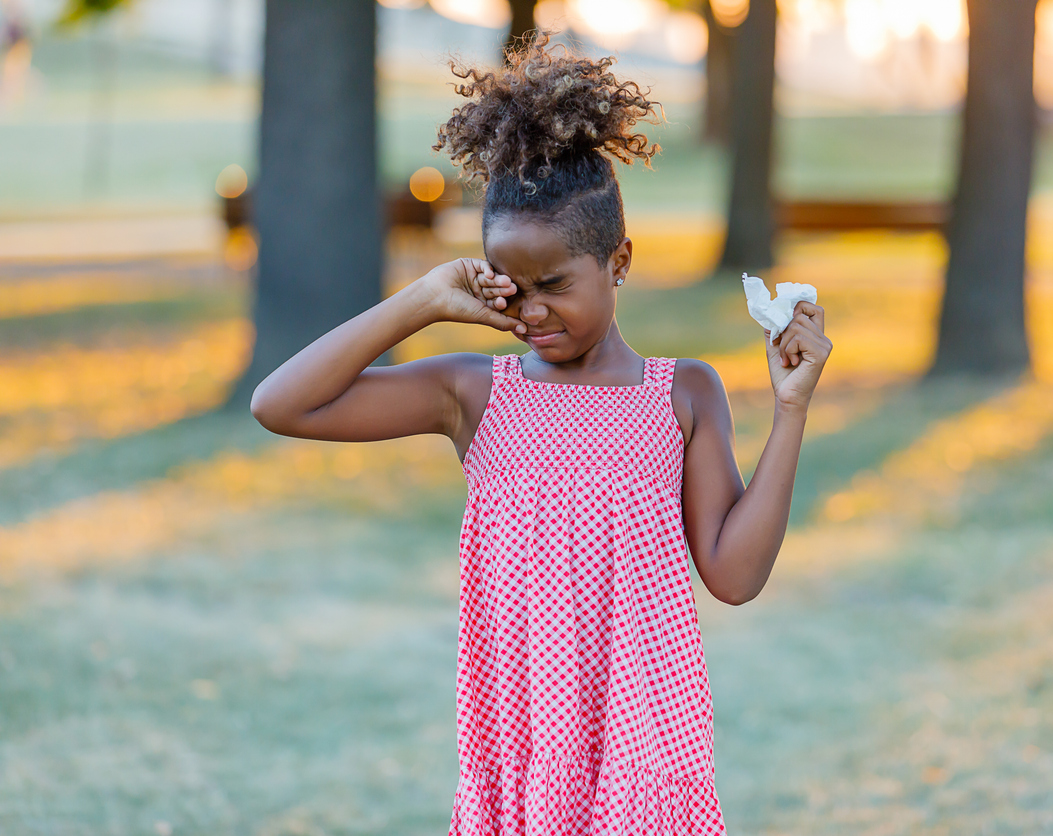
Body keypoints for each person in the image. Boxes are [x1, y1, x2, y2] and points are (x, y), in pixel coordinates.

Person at [249, 33, 831, 836]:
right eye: (510, 286)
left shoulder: (683, 394)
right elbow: (282, 405)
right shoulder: (473, 395)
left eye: (555, 284)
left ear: (618, 261)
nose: (530, 312)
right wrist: (420, 300)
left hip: (644, 749)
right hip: (523, 747)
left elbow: (733, 576)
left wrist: (791, 410)